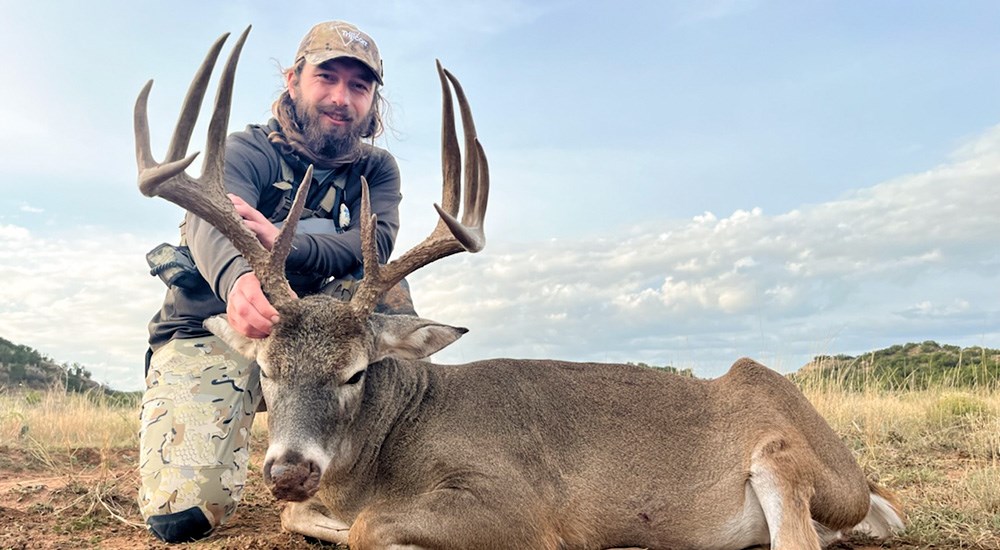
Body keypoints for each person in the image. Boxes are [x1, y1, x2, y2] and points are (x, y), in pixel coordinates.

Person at [138, 20, 406, 543]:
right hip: (221, 327)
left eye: (359, 86)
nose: (340, 97)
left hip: (327, 344)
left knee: (387, 292)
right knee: (182, 518)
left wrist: (289, 239)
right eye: (326, 77)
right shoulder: (249, 151)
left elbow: (375, 248)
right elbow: (210, 223)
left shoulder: (377, 170)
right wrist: (239, 280)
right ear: (292, 79)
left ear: (373, 99)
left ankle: (378, 467)